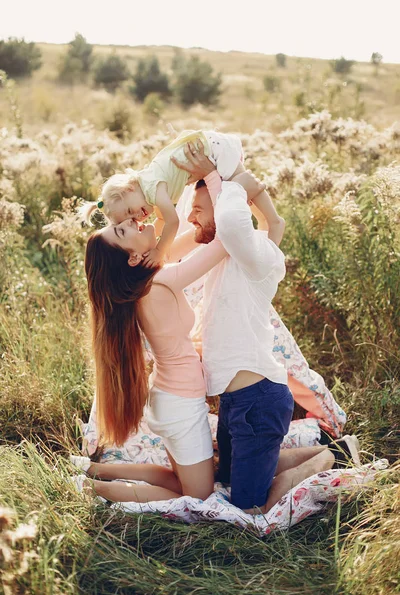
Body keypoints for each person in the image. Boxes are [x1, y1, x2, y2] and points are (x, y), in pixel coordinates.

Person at [171, 143, 360, 514]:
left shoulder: (255, 254)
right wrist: (254, 200)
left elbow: (235, 223)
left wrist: (224, 180)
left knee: (247, 506)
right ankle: (333, 448)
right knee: (225, 478)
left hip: (257, 402)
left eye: (197, 211)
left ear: (225, 210)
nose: (191, 219)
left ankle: (331, 460)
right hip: (235, 403)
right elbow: (259, 227)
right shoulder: (232, 253)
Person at [73, 172, 266, 503]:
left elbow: (198, 236)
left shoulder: (148, 278)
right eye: (123, 229)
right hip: (180, 406)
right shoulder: (161, 281)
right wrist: (236, 190)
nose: (134, 221)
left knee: (180, 483)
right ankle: (96, 490)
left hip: (169, 398)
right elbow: (225, 240)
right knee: (201, 498)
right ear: (132, 257)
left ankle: (98, 471)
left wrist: (204, 185)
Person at [80, 130, 284, 268]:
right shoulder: (150, 193)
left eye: (129, 211)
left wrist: (159, 250)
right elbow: (161, 221)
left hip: (210, 150)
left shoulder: (153, 187)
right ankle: (270, 223)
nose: (137, 217)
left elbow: (173, 221)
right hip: (205, 149)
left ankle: (273, 220)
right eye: (132, 220)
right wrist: (155, 243)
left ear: (130, 188)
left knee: (240, 186)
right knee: (235, 191)